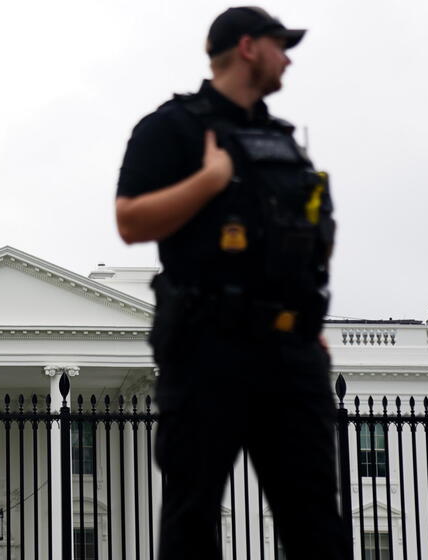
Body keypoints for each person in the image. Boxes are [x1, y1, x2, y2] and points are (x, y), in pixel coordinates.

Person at [115, 7, 352, 560]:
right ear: (248, 47)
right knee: (193, 516)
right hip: (207, 347)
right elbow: (129, 220)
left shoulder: (283, 142)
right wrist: (210, 181)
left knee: (316, 517)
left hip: (291, 351)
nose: (288, 56)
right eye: (280, 43)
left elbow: (304, 236)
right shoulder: (172, 128)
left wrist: (305, 317)